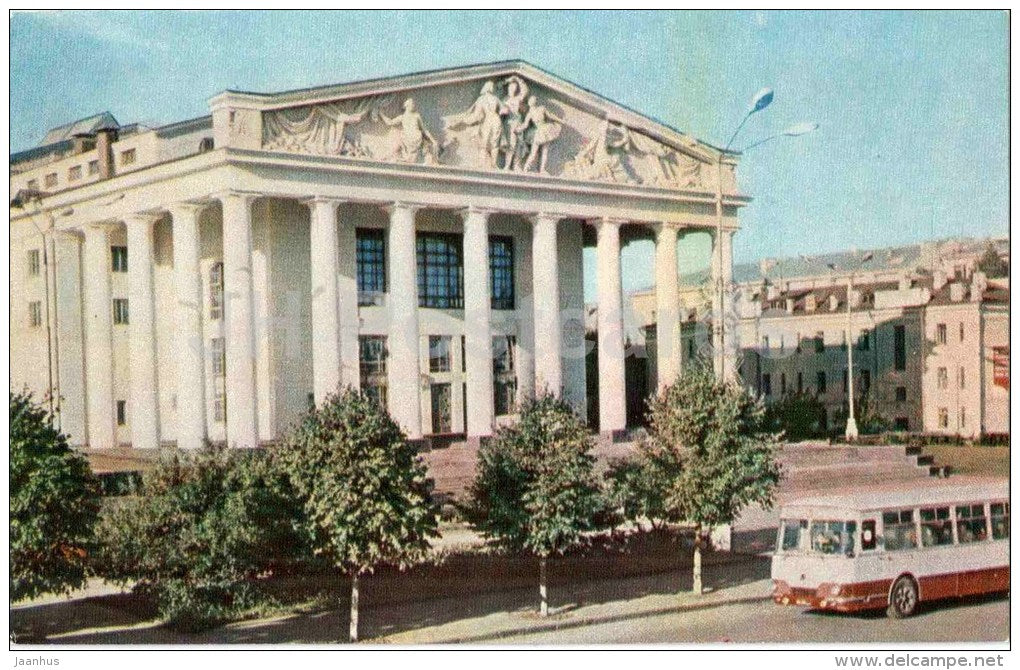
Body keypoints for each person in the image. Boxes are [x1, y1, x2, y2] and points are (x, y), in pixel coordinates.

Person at [518, 95, 565, 174]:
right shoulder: (529, 114)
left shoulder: (542, 108)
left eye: (534, 100)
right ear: (529, 103)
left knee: (545, 151)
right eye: (530, 100)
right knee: (533, 152)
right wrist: (518, 129)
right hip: (538, 132)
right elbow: (525, 125)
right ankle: (526, 167)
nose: (532, 101)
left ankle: (542, 169)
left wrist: (561, 120)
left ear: (535, 101)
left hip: (546, 130)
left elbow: (550, 116)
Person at [382, 98, 438, 164]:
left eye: (413, 104)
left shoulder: (415, 116)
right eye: (412, 104)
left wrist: (432, 140)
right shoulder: (405, 117)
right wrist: (381, 114)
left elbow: (424, 129)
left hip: (415, 138)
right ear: (406, 106)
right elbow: (390, 122)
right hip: (411, 139)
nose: (413, 106)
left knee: (427, 149)